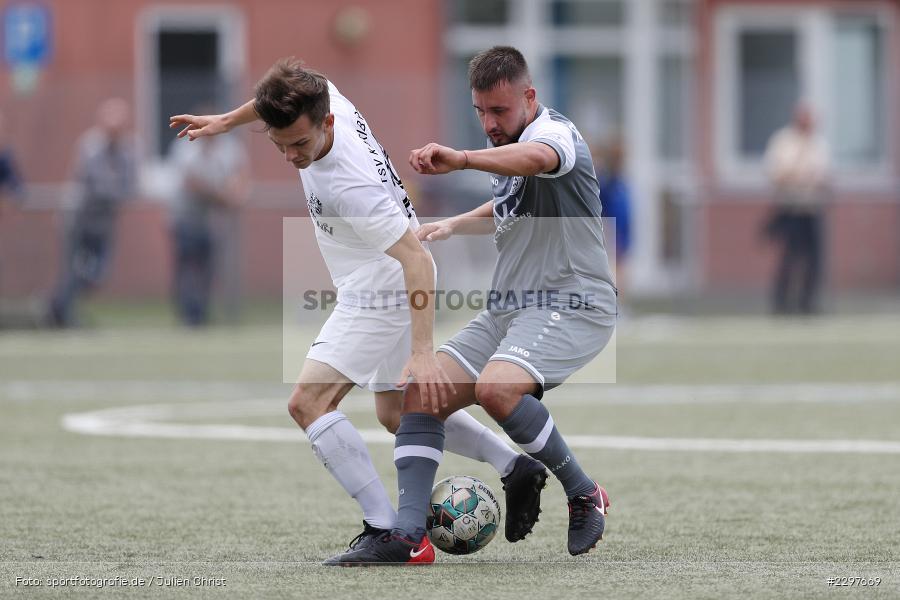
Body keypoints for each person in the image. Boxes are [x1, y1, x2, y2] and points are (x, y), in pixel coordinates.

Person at [169, 58, 546, 564]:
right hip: (375, 278)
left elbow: (417, 262)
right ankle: (512, 466)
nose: (290, 156)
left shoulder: (349, 184)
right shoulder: (324, 98)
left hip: (382, 287)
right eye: (278, 144)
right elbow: (279, 95)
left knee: (308, 403)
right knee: (396, 414)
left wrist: (423, 352)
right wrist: (227, 122)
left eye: (299, 145)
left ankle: (389, 530)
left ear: (326, 125)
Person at [333, 46, 616, 565]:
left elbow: (536, 161)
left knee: (497, 389)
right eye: (480, 112)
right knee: (419, 392)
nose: (489, 123)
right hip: (510, 308)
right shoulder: (509, 141)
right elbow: (512, 194)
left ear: (530, 97)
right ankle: (410, 538)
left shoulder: (554, 135)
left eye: (499, 111)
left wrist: (462, 158)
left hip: (573, 301)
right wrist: (456, 223)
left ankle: (583, 493)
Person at [47, 98, 136, 327]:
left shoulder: (128, 149)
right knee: (73, 269)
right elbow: (98, 184)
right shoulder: (90, 145)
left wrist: (117, 190)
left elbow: (131, 184)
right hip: (78, 219)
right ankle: (62, 314)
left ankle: (57, 307)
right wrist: (116, 190)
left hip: (104, 223)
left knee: (98, 274)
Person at [168, 121, 248, 326]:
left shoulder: (229, 149)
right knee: (187, 267)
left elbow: (240, 176)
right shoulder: (184, 147)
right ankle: (188, 315)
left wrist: (234, 194)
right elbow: (190, 182)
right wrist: (221, 197)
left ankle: (202, 313)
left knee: (207, 269)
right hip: (185, 218)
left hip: (211, 222)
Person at [764, 103, 830, 315]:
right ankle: (781, 304)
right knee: (789, 258)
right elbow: (777, 173)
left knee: (815, 260)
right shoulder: (784, 141)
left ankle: (808, 303)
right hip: (791, 207)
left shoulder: (818, 143)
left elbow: (824, 174)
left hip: (812, 207)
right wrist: (801, 173)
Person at [595, 137, 632, 311]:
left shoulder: (619, 181)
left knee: (620, 268)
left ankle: (618, 305)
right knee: (613, 270)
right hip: (611, 230)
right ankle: (611, 307)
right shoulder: (606, 180)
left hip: (621, 229)